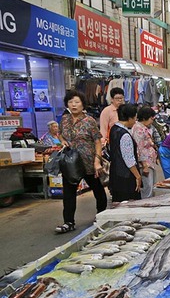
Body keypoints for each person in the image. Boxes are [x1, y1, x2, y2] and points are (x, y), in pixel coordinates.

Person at [55, 90, 107, 233]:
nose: (73, 105)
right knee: (69, 193)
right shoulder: (64, 120)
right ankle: (69, 222)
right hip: (71, 163)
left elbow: (97, 141)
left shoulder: (89, 121)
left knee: (98, 189)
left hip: (88, 161)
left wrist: (97, 161)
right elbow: (59, 133)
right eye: (71, 102)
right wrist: (63, 141)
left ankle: (102, 215)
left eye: (77, 102)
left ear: (83, 104)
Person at [108, 104, 142, 202]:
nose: (135, 121)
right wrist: (138, 176)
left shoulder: (114, 129)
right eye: (135, 117)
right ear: (130, 118)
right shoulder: (124, 135)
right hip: (126, 177)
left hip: (116, 173)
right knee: (129, 204)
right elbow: (129, 159)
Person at [132, 106, 158, 198]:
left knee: (151, 186)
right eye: (151, 118)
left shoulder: (144, 127)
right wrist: (144, 166)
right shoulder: (138, 129)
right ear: (144, 118)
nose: (152, 120)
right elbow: (139, 148)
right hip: (145, 163)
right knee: (148, 188)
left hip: (149, 161)